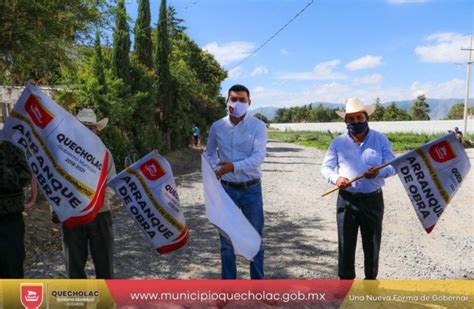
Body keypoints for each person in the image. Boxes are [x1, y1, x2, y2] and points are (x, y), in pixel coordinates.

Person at [321, 98, 396, 280]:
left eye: (359, 118)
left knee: (372, 244)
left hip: (372, 200)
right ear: (345, 121)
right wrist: (336, 178)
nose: (355, 122)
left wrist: (378, 172)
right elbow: (326, 168)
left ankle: (370, 285)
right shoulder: (338, 143)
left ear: (366, 118)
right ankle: (345, 285)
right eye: (351, 119)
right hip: (347, 200)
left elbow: (394, 165)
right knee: (346, 244)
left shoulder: (380, 139)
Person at [206, 84, 267, 279]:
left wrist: (233, 166)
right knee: (226, 243)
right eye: (234, 99)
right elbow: (209, 154)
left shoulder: (257, 126)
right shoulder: (217, 126)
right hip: (226, 190)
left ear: (249, 103)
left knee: (254, 239)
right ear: (227, 101)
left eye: (242, 100)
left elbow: (258, 157)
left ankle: (258, 288)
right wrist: (217, 169)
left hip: (251, 189)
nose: (238, 103)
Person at [59, 108, 116, 279]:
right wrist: (55, 208)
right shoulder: (63, 153)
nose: (87, 131)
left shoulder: (105, 154)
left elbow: (111, 182)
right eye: (83, 127)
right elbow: (55, 182)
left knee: (104, 265)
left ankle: (104, 302)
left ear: (97, 130)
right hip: (72, 213)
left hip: (100, 213)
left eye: (90, 127)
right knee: (74, 266)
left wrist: (96, 204)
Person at [0, 140, 31, 278]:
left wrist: (2, 170)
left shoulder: (10, 145)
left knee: (11, 269)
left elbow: (24, 177)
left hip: (8, 222)